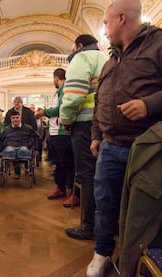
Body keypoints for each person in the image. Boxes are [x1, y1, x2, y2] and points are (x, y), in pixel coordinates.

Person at [87, 0, 162, 276]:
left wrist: (150, 104)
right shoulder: (111, 60)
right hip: (110, 146)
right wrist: (96, 135)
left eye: (106, 23)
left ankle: (136, 261)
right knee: (104, 203)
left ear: (120, 18)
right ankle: (103, 252)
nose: (104, 30)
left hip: (151, 148)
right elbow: (100, 101)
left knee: (144, 212)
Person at [59, 34, 107, 241]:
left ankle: (89, 225)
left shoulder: (81, 57)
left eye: (73, 48)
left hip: (85, 123)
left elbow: (75, 96)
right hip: (104, 122)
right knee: (104, 174)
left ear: (79, 46)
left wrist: (66, 120)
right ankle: (106, 223)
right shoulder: (105, 58)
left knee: (87, 174)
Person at [36, 68, 75, 207]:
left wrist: (43, 112)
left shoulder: (64, 89)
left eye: (53, 79)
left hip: (61, 133)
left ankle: (71, 191)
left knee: (67, 163)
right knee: (59, 162)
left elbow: (61, 109)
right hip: (55, 133)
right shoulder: (60, 90)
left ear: (56, 78)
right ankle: (61, 187)